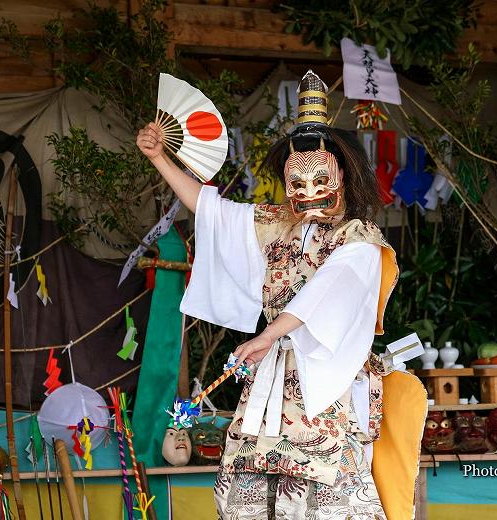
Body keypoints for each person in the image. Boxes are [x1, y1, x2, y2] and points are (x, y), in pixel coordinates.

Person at [137, 70, 424, 520]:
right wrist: (160, 159)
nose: (308, 193)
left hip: (328, 375)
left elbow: (329, 294)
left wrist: (270, 334)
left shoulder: (359, 238)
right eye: (298, 182)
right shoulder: (275, 221)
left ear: (342, 174)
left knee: (326, 493)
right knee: (248, 487)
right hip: (271, 369)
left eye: (320, 180)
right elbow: (211, 209)